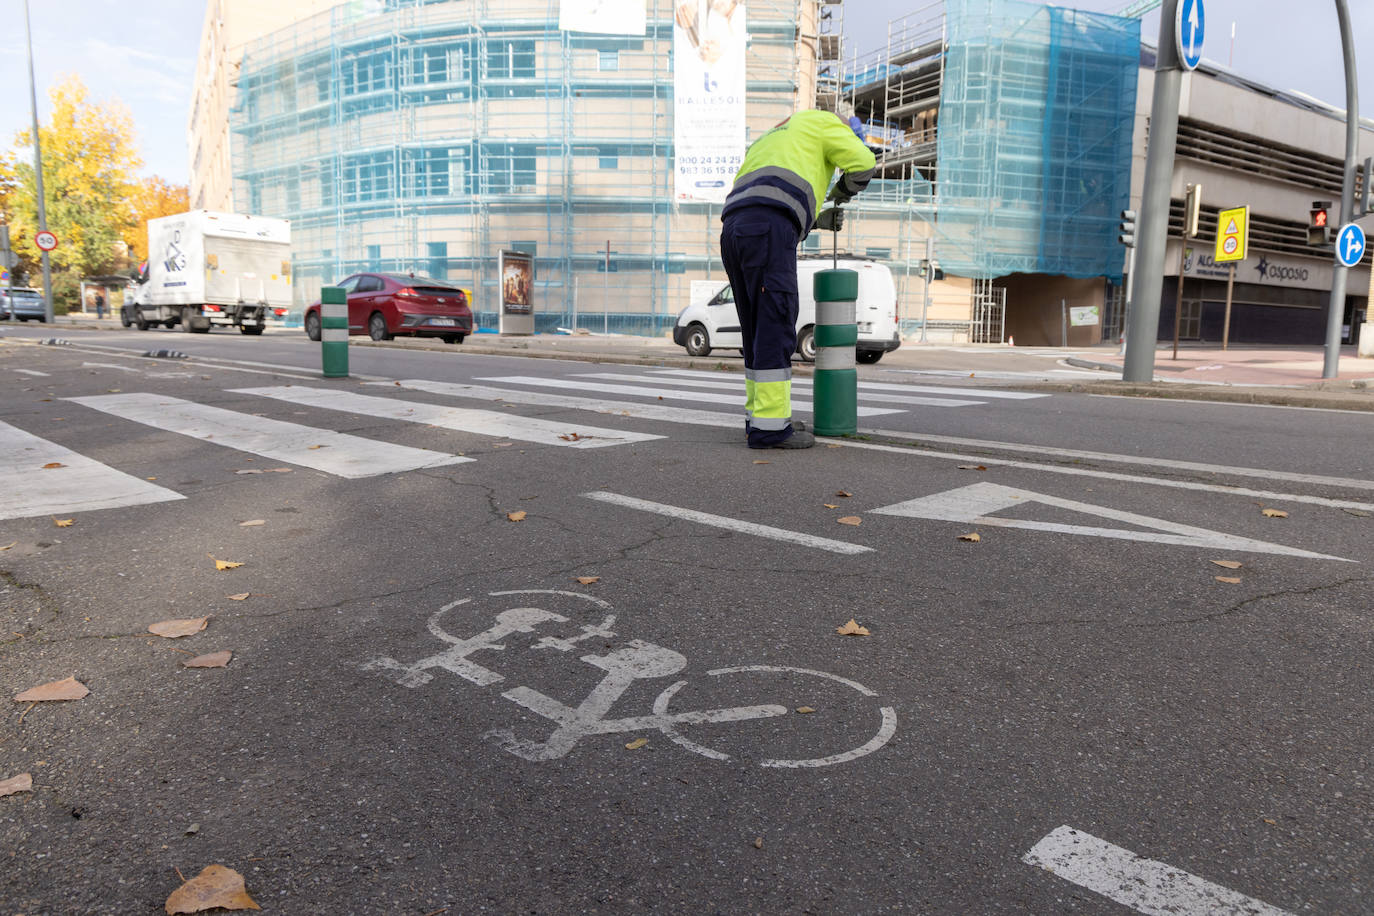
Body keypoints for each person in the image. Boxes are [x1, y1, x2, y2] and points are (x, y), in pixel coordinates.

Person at [720, 109, 876, 449]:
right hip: (768, 228)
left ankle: (761, 418)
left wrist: (816, 219)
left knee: (757, 328)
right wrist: (842, 192)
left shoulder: (778, 134)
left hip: (734, 228)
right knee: (776, 321)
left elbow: (776, 195)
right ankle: (771, 430)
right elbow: (864, 163)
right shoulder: (826, 123)